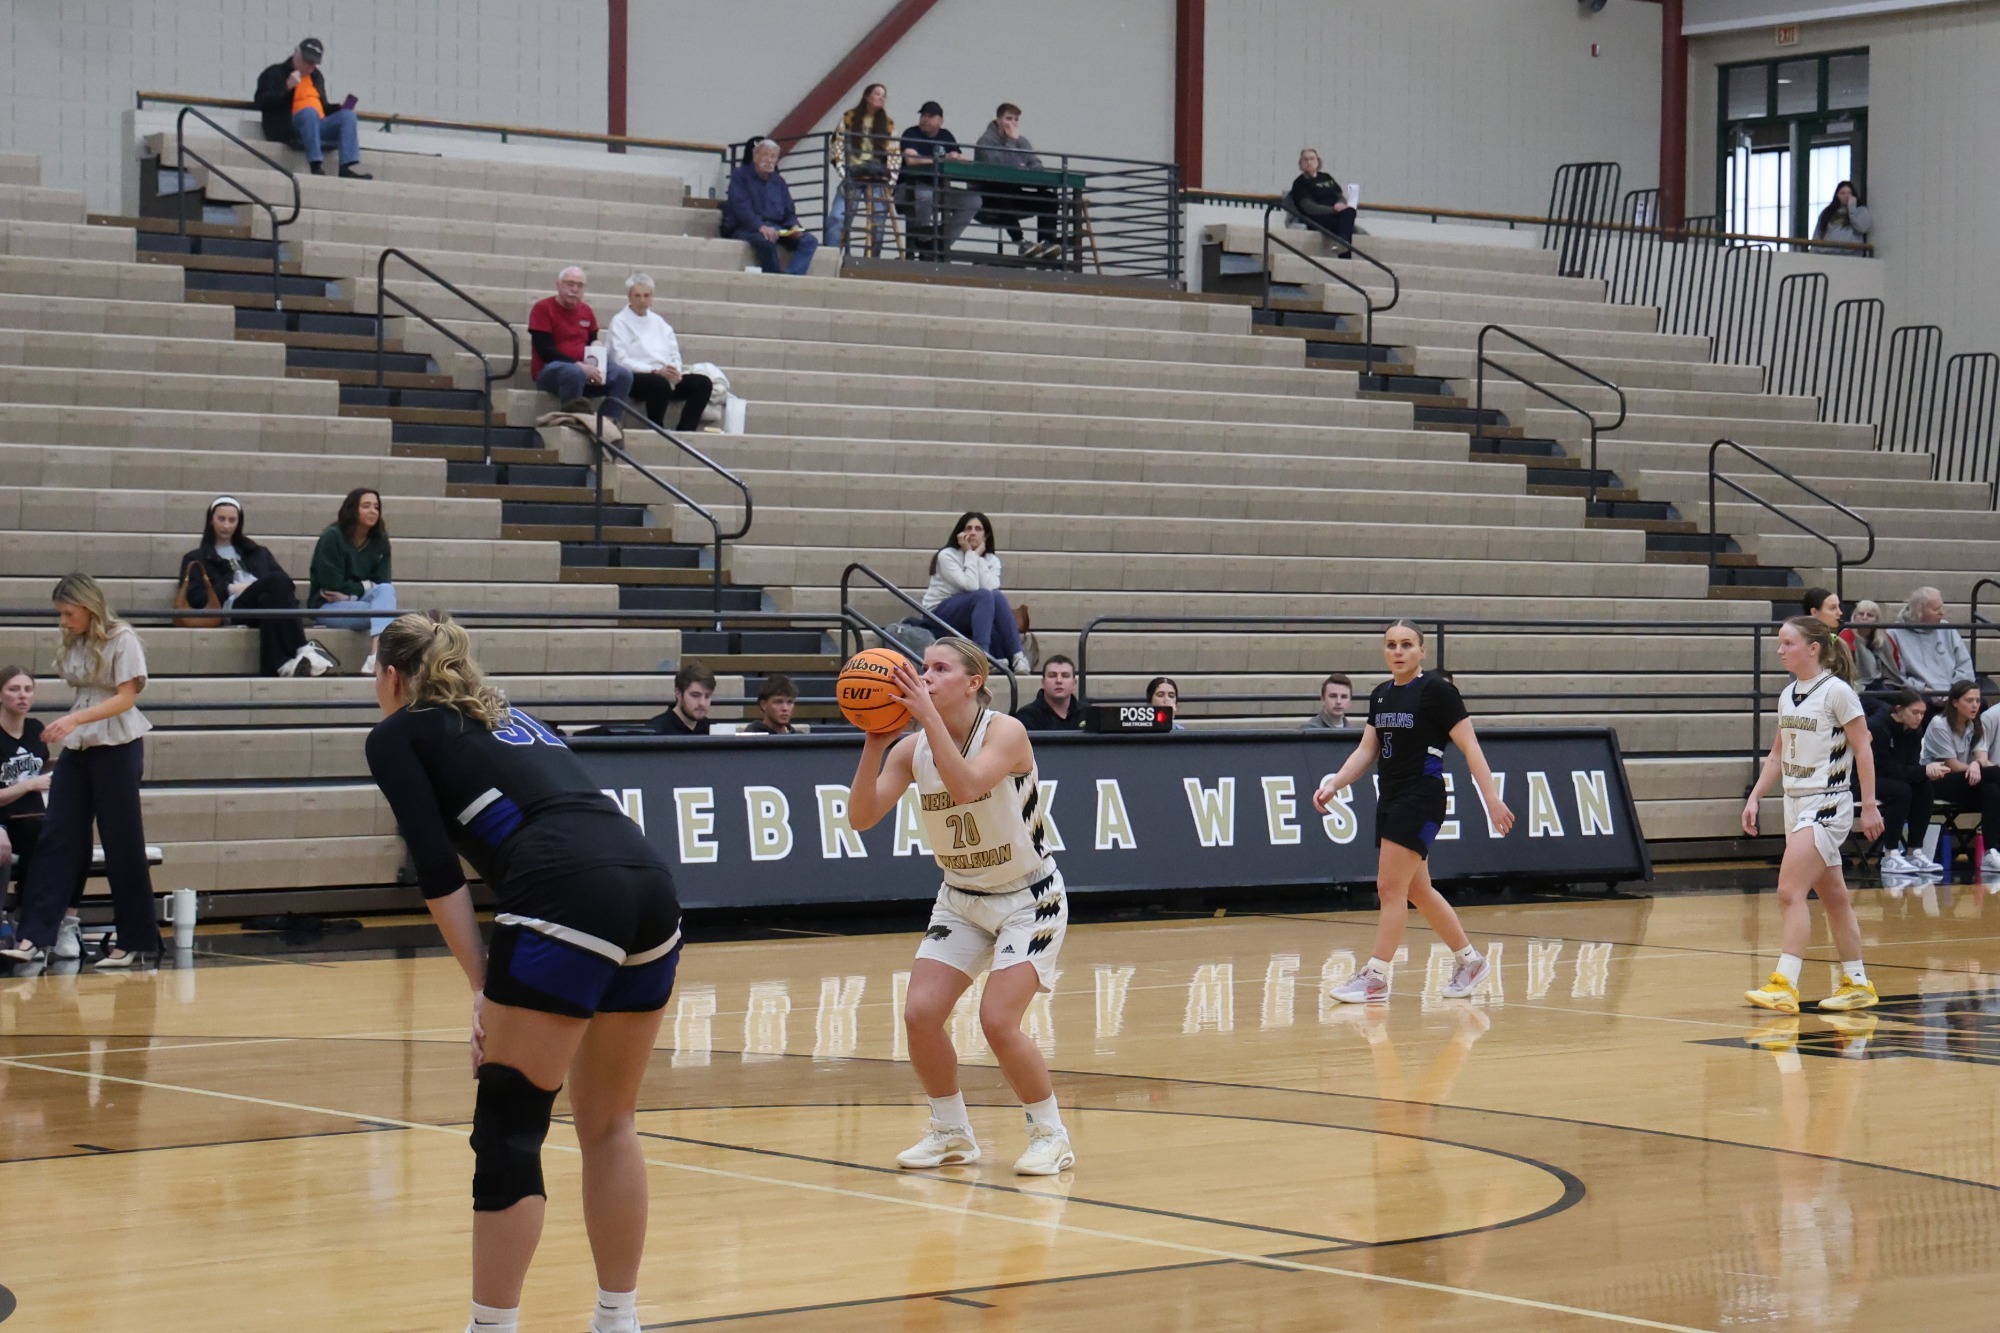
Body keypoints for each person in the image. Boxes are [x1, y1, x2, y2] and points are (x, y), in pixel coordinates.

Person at [362, 612, 682, 1333]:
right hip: (650, 885)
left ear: (390, 677)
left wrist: (483, 984)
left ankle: (493, 1327)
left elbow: (437, 870)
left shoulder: (397, 733)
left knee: (508, 1128)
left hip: (565, 890)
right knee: (610, 1122)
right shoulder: (515, 717)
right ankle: (617, 1319)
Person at [844, 639, 1075, 1176]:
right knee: (920, 1014)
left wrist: (924, 718)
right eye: (922, 668)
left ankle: (1050, 1134)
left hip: (1029, 899)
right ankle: (951, 1133)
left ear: (973, 682)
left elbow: (968, 786)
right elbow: (860, 818)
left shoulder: (1005, 732)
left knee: (998, 1020)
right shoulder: (912, 749)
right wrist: (875, 745)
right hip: (961, 899)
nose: (925, 677)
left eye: (940, 669)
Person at [1313, 621, 1514, 1005]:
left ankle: (1376, 975)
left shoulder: (1437, 692)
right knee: (1418, 889)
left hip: (1421, 797)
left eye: (1407, 644)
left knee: (1389, 888)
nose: (1398, 651)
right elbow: (1366, 750)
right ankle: (1469, 961)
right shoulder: (1382, 695)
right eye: (1391, 645)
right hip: (1389, 797)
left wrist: (1491, 798)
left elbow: (1471, 748)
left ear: (1422, 651)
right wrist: (1335, 783)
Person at [0, 576, 160, 969]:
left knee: (122, 842)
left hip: (118, 746)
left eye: (69, 613)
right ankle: (33, 936)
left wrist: (74, 720)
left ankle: (135, 939)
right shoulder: (75, 640)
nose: (64, 620)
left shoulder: (122, 639)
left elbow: (126, 698)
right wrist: (75, 724)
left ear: (88, 607)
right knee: (56, 835)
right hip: (80, 746)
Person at [1741, 617, 1885, 1014]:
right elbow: (1776, 754)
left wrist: (1868, 804)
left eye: (1787, 643)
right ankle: (1857, 983)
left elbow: (1864, 748)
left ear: (1813, 648)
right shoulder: (1788, 694)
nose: (1779, 650)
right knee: (1835, 898)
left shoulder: (1837, 692)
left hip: (1827, 801)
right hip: (1794, 802)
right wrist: (1755, 797)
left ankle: (1785, 983)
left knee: (1789, 891)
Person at [178, 496, 331, 678]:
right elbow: (195, 597)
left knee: (271, 596)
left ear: (239, 522)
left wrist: (257, 587)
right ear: (211, 520)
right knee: (275, 581)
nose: (226, 525)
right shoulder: (196, 558)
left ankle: (281, 666)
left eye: (232, 520)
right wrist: (230, 588)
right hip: (232, 608)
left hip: (262, 604)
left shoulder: (258, 552)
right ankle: (303, 647)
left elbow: (286, 584)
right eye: (221, 519)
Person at [920, 512, 1031, 676]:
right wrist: (971, 554)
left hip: (968, 614)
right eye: (968, 528)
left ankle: (1018, 657)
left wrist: (976, 556)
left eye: (978, 529)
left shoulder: (992, 560)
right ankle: (982, 656)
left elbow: (992, 587)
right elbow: (970, 585)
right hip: (939, 614)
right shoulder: (947, 555)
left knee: (996, 596)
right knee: (983, 595)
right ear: (960, 533)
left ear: (985, 535)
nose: (972, 532)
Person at [252, 37, 371, 179]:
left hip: (316, 123)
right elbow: (261, 102)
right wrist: (286, 87)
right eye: (306, 61)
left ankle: (346, 167)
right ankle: (315, 164)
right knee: (309, 113)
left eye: (313, 64)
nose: (309, 67)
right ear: (296, 54)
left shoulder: (316, 76)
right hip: (289, 125)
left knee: (348, 116)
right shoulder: (275, 73)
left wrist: (340, 108)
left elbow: (323, 106)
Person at [309, 487, 398, 674]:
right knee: (386, 613)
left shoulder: (380, 539)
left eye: (376, 507)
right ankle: (378, 658)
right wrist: (365, 586)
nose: (373, 511)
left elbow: (382, 581)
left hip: (355, 602)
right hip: (327, 607)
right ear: (352, 509)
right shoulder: (332, 537)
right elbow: (331, 585)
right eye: (366, 506)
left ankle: (375, 656)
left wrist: (350, 596)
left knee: (387, 591)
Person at [607, 274, 711, 431]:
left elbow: (674, 352)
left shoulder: (659, 322)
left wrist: (675, 370)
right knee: (659, 383)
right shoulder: (619, 322)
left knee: (703, 383)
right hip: (636, 377)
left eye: (646, 295)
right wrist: (654, 371)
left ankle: (685, 429)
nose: (642, 300)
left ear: (652, 297)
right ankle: (656, 428)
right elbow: (621, 360)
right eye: (637, 295)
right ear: (629, 297)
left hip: (664, 375)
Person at [1922, 679, 2000, 874]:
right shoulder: (1939, 723)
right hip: (1938, 780)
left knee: (1992, 791)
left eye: (1977, 700)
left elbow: (1979, 760)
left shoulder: (1975, 725)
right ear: (1955, 702)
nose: (1975, 705)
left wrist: (1976, 765)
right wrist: (1975, 767)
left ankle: (1991, 852)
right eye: (1969, 700)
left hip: (1966, 781)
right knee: (1993, 777)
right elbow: (1952, 765)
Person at [529, 267, 634, 413]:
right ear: (558, 285)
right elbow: (545, 351)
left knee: (623, 375)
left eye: (579, 285)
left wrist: (596, 347)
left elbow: (592, 341)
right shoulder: (543, 308)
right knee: (573, 372)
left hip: (584, 370)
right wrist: (579, 366)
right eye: (570, 284)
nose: (575, 289)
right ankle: (572, 420)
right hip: (551, 371)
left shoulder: (586, 311)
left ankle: (609, 422)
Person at [0, 667, 52, 924]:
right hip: (4, 820)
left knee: (65, 836)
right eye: (14, 689)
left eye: (27, 689)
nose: (22, 696)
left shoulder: (35, 729)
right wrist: (30, 785)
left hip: (32, 817)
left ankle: (55, 920)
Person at [974, 103, 1059, 258]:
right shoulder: (985, 141)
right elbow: (997, 166)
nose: (1012, 123)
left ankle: (1047, 242)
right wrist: (1012, 145)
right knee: (1002, 192)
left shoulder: (1022, 141)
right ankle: (1020, 242)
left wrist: (1026, 168)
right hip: (989, 196)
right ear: (998, 119)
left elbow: (1037, 165)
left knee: (1049, 198)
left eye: (1016, 119)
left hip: (1014, 193)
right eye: (1008, 118)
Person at [899, 100, 981, 261]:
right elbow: (911, 160)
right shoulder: (911, 133)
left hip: (939, 189)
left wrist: (958, 158)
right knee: (925, 195)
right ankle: (922, 242)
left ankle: (939, 245)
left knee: (973, 200)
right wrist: (942, 158)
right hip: (908, 188)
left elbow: (960, 158)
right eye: (923, 115)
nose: (925, 119)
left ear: (941, 121)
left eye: (930, 116)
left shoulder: (946, 136)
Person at [1872, 688, 1942, 875]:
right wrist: (1921, 771)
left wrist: (1924, 772)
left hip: (1893, 777)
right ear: (1899, 709)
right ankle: (1890, 853)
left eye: (1922, 713)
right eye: (1915, 712)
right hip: (1866, 780)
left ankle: (1915, 851)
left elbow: (1910, 765)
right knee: (1901, 790)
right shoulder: (1878, 727)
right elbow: (1883, 767)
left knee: (1924, 787)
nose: (1919, 718)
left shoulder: (1915, 730)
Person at [724, 140, 819, 276]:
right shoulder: (740, 176)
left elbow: (789, 211)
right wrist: (760, 227)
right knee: (765, 242)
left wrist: (794, 226)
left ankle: (792, 276)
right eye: (765, 155)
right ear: (755, 157)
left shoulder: (779, 182)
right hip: (748, 228)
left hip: (777, 227)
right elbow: (741, 208)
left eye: (773, 156)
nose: (769, 160)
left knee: (809, 241)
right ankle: (774, 277)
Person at [828, 83, 897, 258]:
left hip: (878, 178)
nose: (881, 97)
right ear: (867, 97)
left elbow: (895, 153)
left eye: (884, 95)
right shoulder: (849, 118)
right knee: (837, 217)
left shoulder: (888, 124)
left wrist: (891, 180)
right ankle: (830, 257)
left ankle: (872, 259)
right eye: (877, 94)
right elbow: (837, 144)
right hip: (853, 174)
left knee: (879, 222)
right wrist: (842, 170)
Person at [1884, 585, 1972, 696]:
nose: (1942, 613)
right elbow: (1897, 677)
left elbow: (1965, 665)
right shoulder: (1894, 633)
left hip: (1954, 692)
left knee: (1980, 702)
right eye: (1936, 609)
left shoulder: (1947, 628)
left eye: (1942, 607)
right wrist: (1924, 690)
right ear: (1919, 611)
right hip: (1920, 694)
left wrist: (1956, 690)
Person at [1285, 149, 1355, 247]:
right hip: (1316, 217)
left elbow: (1339, 196)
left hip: (1335, 213)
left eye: (1312, 159)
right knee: (1343, 226)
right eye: (1305, 160)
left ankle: (1342, 244)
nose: (1309, 162)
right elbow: (1309, 207)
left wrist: (1340, 204)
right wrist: (1333, 209)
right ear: (1300, 164)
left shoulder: (1326, 177)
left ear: (1318, 161)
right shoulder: (1299, 183)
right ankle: (1343, 247)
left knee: (1350, 211)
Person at [1012, 656, 1086, 731]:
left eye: (1065, 676)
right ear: (1043, 682)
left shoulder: (1088, 714)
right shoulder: (1026, 716)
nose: (1059, 681)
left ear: (1074, 683)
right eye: (1052, 676)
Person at [645, 663, 713, 736]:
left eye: (707, 696)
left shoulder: (711, 729)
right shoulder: (656, 731)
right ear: (678, 693)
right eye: (695, 695)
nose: (702, 703)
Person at [1841, 599, 1892, 687]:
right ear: (1854, 616)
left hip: (1881, 683)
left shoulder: (1883, 638)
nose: (1864, 618)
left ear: (1877, 620)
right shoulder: (1846, 634)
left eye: (1870, 615)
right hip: (1859, 685)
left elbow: (1893, 665)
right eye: (1861, 614)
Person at [1812, 181, 1871, 251]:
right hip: (1828, 252)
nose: (1846, 196)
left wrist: (1852, 211)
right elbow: (1818, 234)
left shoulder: (1861, 210)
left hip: (1852, 254)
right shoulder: (1827, 212)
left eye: (1849, 193)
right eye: (1842, 193)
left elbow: (1863, 228)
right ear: (1837, 195)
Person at [743, 674, 809, 734]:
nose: (785, 708)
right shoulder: (751, 737)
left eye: (789, 702)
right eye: (779, 702)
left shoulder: (799, 737)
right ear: (764, 705)